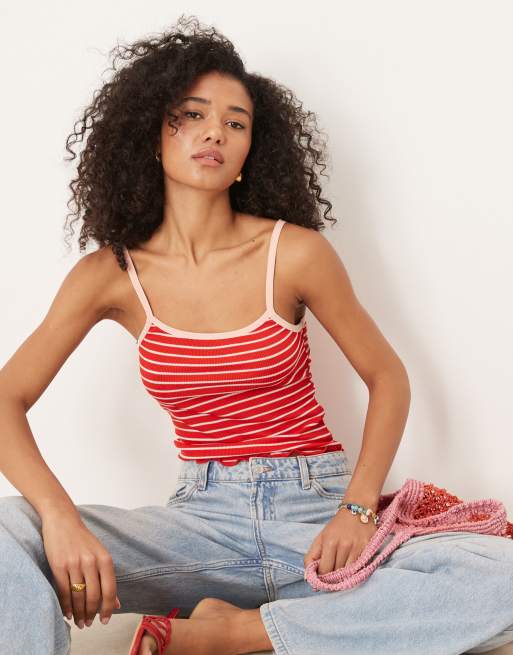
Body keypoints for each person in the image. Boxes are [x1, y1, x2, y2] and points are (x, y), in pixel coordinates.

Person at [1, 15, 513, 655]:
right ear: (150, 135)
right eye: (192, 115)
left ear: (250, 152)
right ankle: (303, 622)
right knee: (8, 528)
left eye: (236, 122)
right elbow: (6, 398)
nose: (214, 131)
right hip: (199, 527)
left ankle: (235, 632)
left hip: (314, 514)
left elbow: (388, 377)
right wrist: (58, 516)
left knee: (502, 575)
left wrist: (356, 508)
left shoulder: (294, 253)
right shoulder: (109, 275)